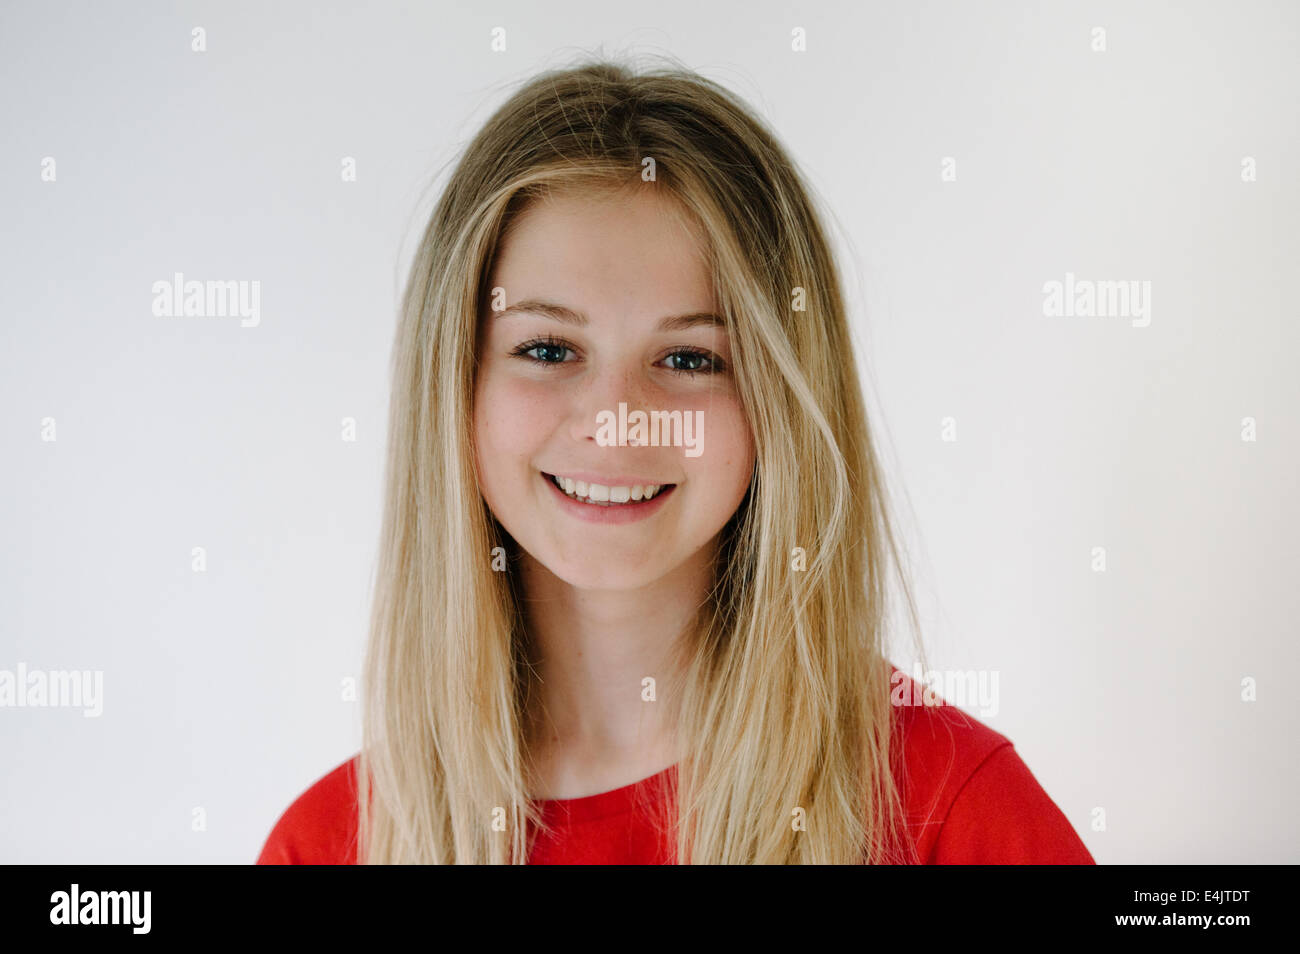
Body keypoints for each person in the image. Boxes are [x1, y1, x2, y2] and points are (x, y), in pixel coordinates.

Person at [257, 57, 1094, 864]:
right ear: (455, 383)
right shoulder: (329, 845)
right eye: (548, 348)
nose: (617, 424)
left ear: (782, 399)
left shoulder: (950, 808)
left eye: (691, 358)